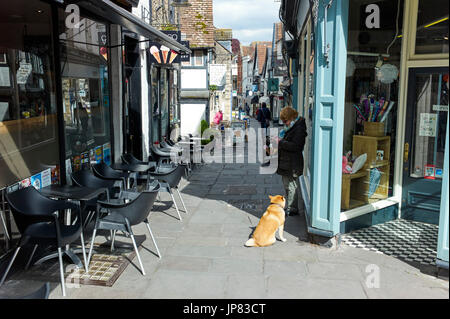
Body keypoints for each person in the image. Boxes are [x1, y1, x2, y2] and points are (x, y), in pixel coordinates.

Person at [276, 106, 307, 216]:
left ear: (291, 117)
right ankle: (290, 206)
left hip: (292, 163)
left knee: (291, 186)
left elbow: (297, 146)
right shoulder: (290, 128)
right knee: (287, 185)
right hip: (287, 162)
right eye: (283, 121)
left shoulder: (299, 129)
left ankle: (292, 209)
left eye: (286, 120)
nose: (285, 123)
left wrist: (281, 142)